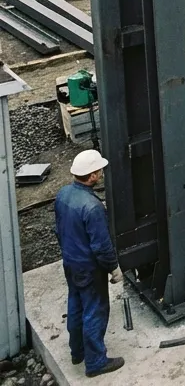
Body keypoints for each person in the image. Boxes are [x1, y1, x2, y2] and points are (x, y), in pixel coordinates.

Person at [53, 149, 124, 378]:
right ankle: (95, 362)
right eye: (99, 171)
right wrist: (113, 268)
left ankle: (78, 352)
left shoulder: (63, 194)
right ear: (92, 176)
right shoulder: (92, 207)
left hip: (71, 263)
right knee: (95, 310)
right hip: (89, 269)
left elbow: (58, 230)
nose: (101, 173)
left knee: (76, 305)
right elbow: (101, 246)